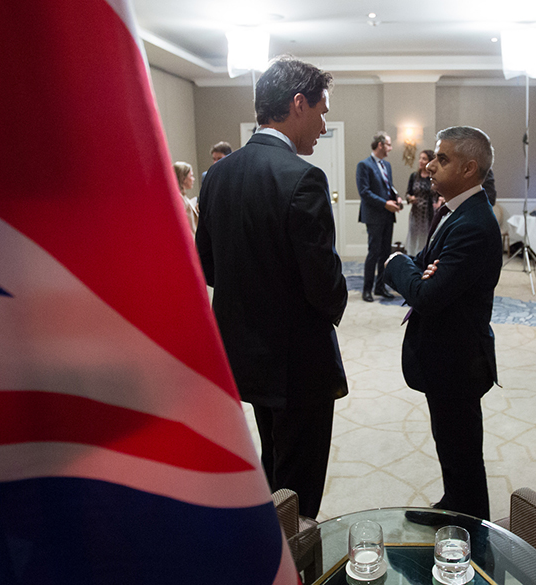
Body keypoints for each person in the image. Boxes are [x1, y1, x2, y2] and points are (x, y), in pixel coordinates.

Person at [195, 55, 347, 519]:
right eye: (321, 112)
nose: (323, 125)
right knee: (300, 489)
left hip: (246, 353)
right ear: (297, 104)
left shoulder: (217, 174)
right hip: (298, 362)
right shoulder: (302, 178)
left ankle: (267, 547)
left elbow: (207, 266)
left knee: (273, 460)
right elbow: (325, 288)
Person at [384, 126, 502, 521]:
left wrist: (395, 262)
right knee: (451, 444)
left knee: (463, 450)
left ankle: (472, 525)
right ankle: (455, 505)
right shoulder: (455, 210)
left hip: (459, 359)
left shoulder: (472, 223)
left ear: (470, 168)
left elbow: (426, 295)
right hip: (446, 356)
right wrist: (416, 270)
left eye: (443, 159)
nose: (431, 167)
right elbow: (423, 269)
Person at [357, 131, 403, 302]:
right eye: (389, 145)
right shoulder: (364, 165)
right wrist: (385, 203)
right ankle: (367, 290)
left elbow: (388, 187)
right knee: (374, 253)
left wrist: (395, 198)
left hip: (388, 216)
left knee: (385, 253)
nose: (390, 148)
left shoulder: (387, 165)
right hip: (374, 216)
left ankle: (380, 287)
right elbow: (365, 192)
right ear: (381, 145)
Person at [404, 149, 439, 256]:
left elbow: (439, 194)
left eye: (424, 159)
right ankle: (412, 261)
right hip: (415, 213)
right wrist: (410, 198)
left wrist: (440, 201)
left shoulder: (434, 177)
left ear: (430, 161)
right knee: (413, 238)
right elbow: (407, 194)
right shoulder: (414, 176)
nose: (420, 161)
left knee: (426, 239)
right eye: (420, 158)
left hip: (429, 213)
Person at [173, 161, 198, 234]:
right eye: (191, 176)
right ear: (183, 178)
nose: (193, 179)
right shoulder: (179, 199)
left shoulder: (183, 197)